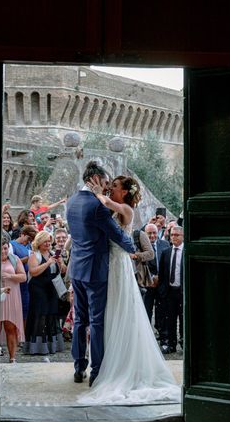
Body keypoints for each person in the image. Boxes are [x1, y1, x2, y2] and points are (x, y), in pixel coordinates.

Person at [76, 173, 181, 405]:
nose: (110, 189)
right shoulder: (113, 208)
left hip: (119, 266)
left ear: (124, 191)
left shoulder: (126, 210)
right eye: (110, 186)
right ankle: (106, 363)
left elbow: (107, 203)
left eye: (114, 186)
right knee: (107, 314)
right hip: (108, 265)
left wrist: (94, 192)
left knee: (121, 310)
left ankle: (122, 366)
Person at [65, 161, 136, 387]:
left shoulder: (72, 201)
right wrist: (132, 246)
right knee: (96, 322)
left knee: (79, 320)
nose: (106, 188)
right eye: (105, 182)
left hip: (76, 269)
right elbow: (118, 235)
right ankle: (96, 371)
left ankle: (78, 368)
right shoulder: (97, 206)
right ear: (94, 179)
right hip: (95, 271)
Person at [24, 231, 65, 355]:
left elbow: (63, 271)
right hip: (38, 289)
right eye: (45, 241)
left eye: (49, 241)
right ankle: (37, 347)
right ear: (39, 242)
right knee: (40, 314)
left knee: (52, 314)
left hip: (51, 289)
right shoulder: (34, 255)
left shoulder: (54, 254)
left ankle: (52, 345)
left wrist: (60, 263)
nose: (48, 243)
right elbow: (33, 272)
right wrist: (48, 263)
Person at [157, 225, 184, 354]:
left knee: (184, 319)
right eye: (172, 235)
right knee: (170, 319)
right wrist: (163, 291)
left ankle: (184, 343)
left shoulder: (186, 252)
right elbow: (162, 274)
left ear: (183, 236)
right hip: (170, 292)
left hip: (183, 292)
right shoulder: (166, 252)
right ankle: (171, 344)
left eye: (177, 235)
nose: (173, 237)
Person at [0, 240, 26, 363]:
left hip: (12, 296)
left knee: (10, 328)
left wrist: (10, 276)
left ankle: (12, 358)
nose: (3, 251)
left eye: (5, 248)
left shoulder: (14, 259)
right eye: (1, 248)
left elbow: (23, 277)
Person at [142, 223, 170, 330]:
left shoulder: (165, 244)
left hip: (162, 284)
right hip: (148, 284)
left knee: (162, 310)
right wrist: (152, 277)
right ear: (145, 234)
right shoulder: (140, 246)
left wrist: (161, 278)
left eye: (154, 233)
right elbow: (140, 265)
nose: (152, 236)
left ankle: (162, 333)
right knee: (146, 310)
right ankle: (146, 332)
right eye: (149, 233)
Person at [10, 224, 37, 324]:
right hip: (17, 282)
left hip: (28, 281)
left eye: (31, 239)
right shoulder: (11, 245)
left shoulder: (29, 246)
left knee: (26, 307)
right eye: (28, 238)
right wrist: (25, 260)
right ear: (22, 234)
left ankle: (25, 335)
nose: (28, 241)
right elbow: (10, 264)